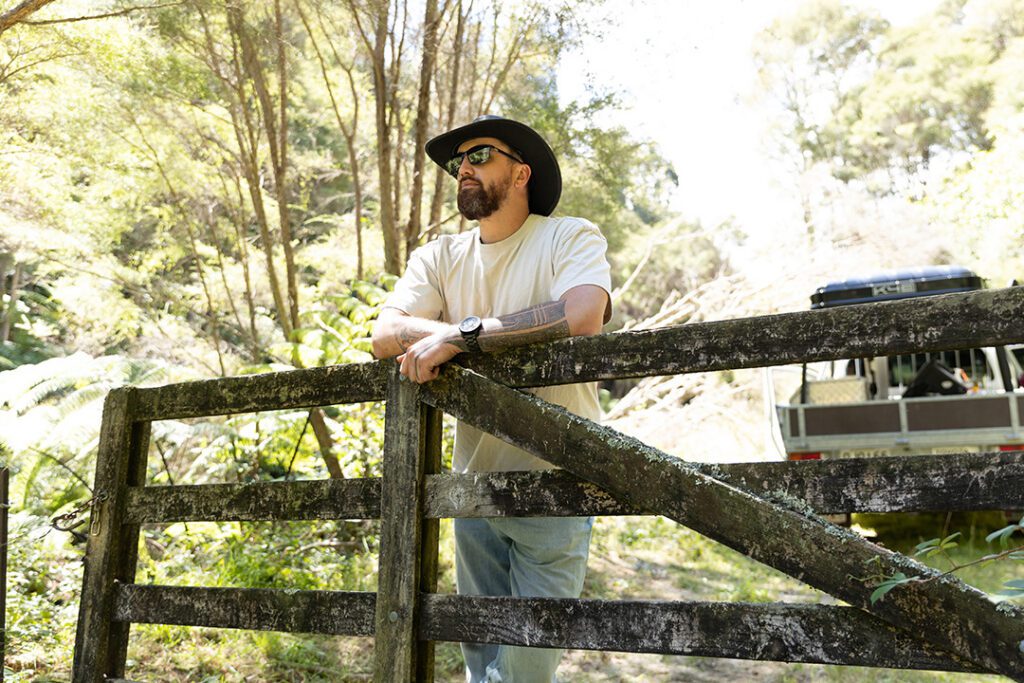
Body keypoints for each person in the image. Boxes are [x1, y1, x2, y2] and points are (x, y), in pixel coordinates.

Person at [371, 114, 612, 682]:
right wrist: (440, 334)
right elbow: (385, 333)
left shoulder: (569, 237)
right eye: (458, 165)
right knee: (482, 670)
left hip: (557, 487)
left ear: (521, 171)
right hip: (471, 492)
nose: (463, 171)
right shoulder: (439, 257)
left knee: (524, 674)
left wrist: (461, 334)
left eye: (479, 156)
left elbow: (582, 314)